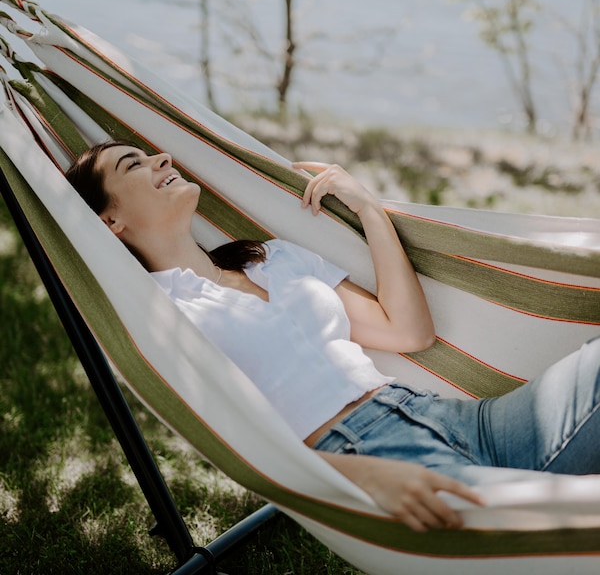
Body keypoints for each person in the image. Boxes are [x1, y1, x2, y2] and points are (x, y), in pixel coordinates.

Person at [66, 140, 600, 533]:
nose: (163, 159)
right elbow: (236, 446)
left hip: (457, 418)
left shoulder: (272, 256)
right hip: (373, 461)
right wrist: (363, 478)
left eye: (154, 154)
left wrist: (370, 209)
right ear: (109, 222)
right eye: (133, 163)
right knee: (572, 526)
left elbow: (408, 331)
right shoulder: (160, 315)